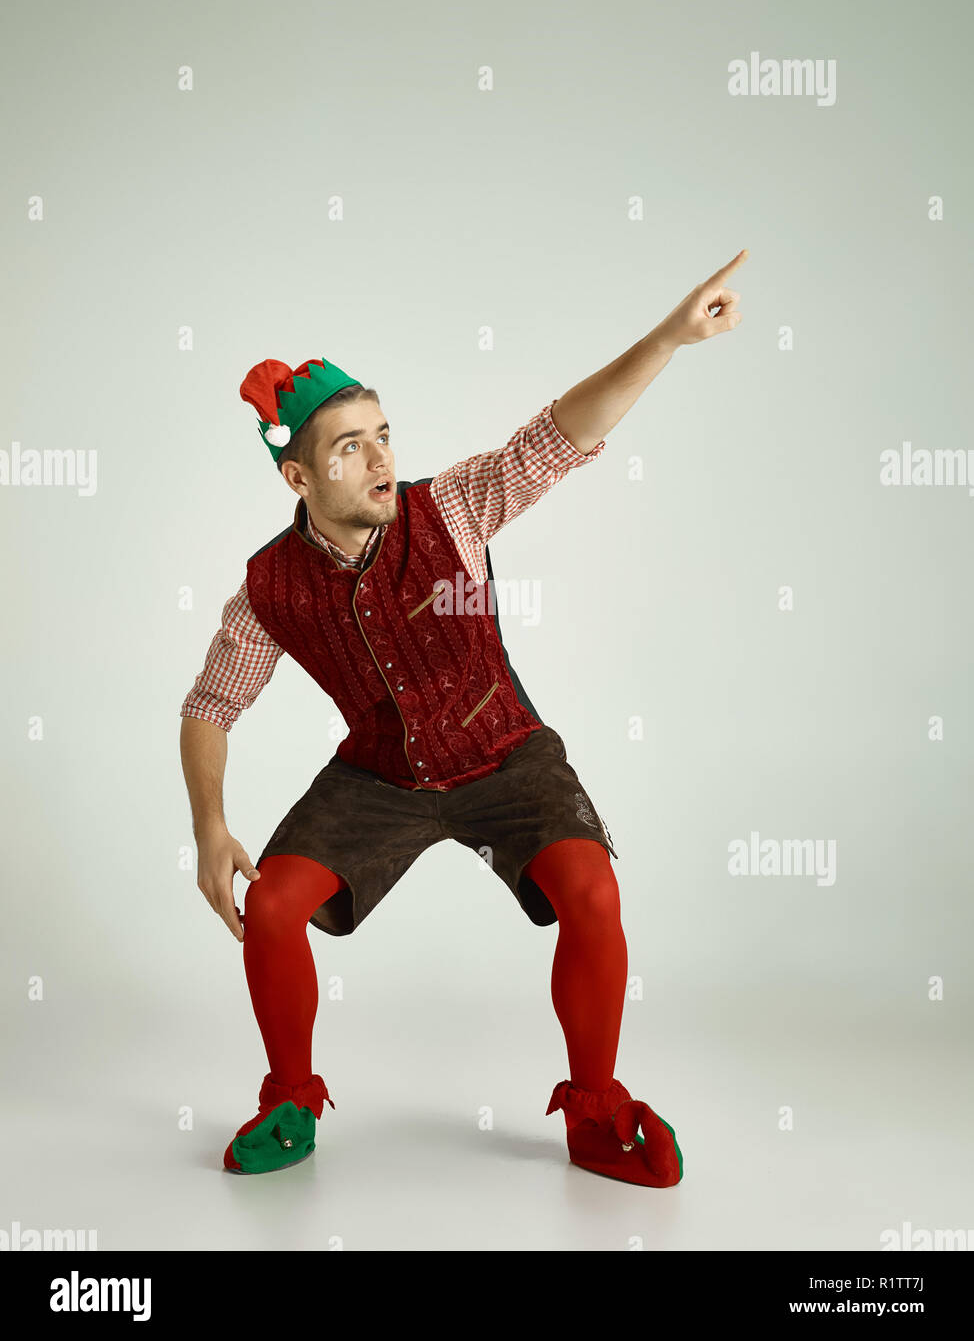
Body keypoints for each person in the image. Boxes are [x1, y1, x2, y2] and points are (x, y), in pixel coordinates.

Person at [178, 250, 747, 1184]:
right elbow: (211, 706)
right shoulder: (269, 587)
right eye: (349, 446)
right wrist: (209, 827)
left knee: (593, 891)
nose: (381, 458)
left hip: (503, 751)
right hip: (380, 778)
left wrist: (671, 339)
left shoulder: (453, 509)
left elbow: (559, 434)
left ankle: (594, 1108)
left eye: (383, 432)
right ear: (299, 481)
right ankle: (288, 1100)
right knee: (273, 906)